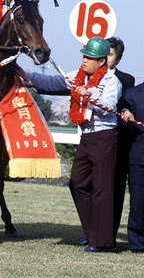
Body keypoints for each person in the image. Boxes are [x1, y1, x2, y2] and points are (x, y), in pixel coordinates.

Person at [19, 37, 122, 252]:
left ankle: (103, 243)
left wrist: (90, 96)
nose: (84, 60)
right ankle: (92, 233)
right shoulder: (78, 77)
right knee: (77, 182)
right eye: (84, 55)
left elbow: (109, 106)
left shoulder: (112, 81)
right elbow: (53, 83)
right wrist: (25, 75)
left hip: (104, 137)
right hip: (86, 137)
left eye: (90, 58)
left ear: (102, 62)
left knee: (102, 189)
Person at [106, 37, 135, 239]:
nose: (106, 57)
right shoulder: (85, 76)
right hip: (94, 140)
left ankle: (110, 233)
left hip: (118, 140)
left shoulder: (126, 80)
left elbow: (124, 104)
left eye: (110, 54)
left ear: (118, 59)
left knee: (116, 190)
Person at [120, 86, 144, 253]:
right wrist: (126, 114)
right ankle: (138, 243)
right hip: (140, 156)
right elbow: (122, 109)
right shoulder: (132, 94)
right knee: (138, 203)